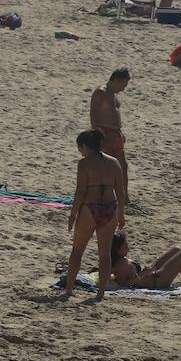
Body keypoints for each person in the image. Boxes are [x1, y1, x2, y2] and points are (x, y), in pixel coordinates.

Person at [65, 129, 127, 300]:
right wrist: (121, 214)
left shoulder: (84, 164)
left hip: (89, 208)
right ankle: (100, 293)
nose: (80, 151)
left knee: (77, 251)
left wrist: (73, 215)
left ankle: (69, 289)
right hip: (109, 207)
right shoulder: (114, 163)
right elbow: (120, 192)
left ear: (85, 146)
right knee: (104, 254)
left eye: (80, 148)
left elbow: (80, 192)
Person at [109, 232, 181, 292]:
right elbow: (123, 284)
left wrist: (144, 272)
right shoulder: (121, 264)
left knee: (177, 250)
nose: (128, 248)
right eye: (125, 246)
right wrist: (142, 274)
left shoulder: (120, 260)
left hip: (150, 275)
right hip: (156, 282)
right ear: (118, 250)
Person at [90, 68, 131, 197]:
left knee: (122, 166)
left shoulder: (113, 95)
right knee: (105, 166)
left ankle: (124, 195)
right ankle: (102, 195)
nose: (123, 89)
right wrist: (98, 132)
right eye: (123, 85)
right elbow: (93, 114)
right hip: (104, 133)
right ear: (116, 81)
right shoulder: (100, 92)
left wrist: (120, 132)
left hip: (116, 134)